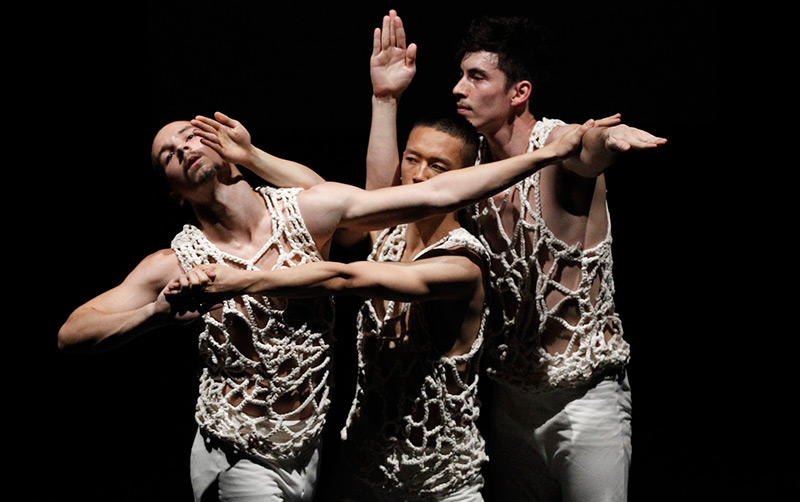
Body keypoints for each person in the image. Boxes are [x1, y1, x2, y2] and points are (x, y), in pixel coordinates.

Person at [58, 101, 597, 499]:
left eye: (188, 136)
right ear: (174, 190)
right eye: (167, 156)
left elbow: (436, 194)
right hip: (239, 453)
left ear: (224, 149)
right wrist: (157, 314)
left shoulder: (305, 214)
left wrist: (547, 155)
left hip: (312, 455)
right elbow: (73, 333)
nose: (181, 149)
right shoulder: (177, 261)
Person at [364, 11, 667, 502]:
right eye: (461, 75)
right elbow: (379, 211)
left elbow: (584, 149)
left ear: (518, 92)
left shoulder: (553, 144)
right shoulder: (474, 167)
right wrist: (385, 99)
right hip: (507, 399)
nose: (458, 89)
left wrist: (607, 140)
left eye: (476, 77)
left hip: (584, 400)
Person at [171, 110, 490, 501]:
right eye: (411, 159)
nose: (419, 176)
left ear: (464, 176)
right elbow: (327, 192)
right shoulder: (385, 237)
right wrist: (251, 155)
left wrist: (245, 280)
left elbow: (345, 278)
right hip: (363, 468)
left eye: (438, 166)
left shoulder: (463, 263)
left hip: (441, 482)